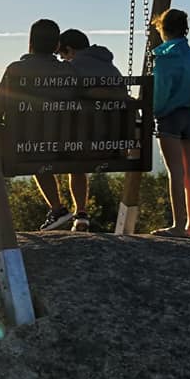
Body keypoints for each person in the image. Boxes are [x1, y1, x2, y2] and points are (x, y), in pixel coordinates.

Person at [0, 19, 78, 231]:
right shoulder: (69, 71)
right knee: (40, 145)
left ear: (30, 43)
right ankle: (57, 210)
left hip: (25, 147)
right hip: (67, 146)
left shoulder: (15, 69)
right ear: (57, 45)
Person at [55, 28, 129, 232]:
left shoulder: (73, 68)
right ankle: (80, 214)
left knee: (73, 151)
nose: (63, 59)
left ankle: (79, 211)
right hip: (116, 146)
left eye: (63, 55)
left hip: (81, 147)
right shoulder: (110, 67)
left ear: (69, 50)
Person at [149, 9, 190, 238]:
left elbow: (160, 92)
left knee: (175, 172)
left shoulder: (165, 57)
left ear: (163, 29)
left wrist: (154, 112)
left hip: (170, 117)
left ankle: (177, 225)